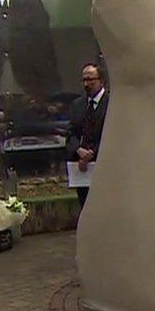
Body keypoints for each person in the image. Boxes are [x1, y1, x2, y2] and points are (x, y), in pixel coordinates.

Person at [66, 63, 109, 207]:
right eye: (84, 80)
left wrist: (92, 153)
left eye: (91, 80)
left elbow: (111, 134)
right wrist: (78, 149)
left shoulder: (111, 104)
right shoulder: (78, 104)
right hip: (82, 170)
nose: (87, 84)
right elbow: (70, 133)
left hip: (104, 165)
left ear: (101, 81)